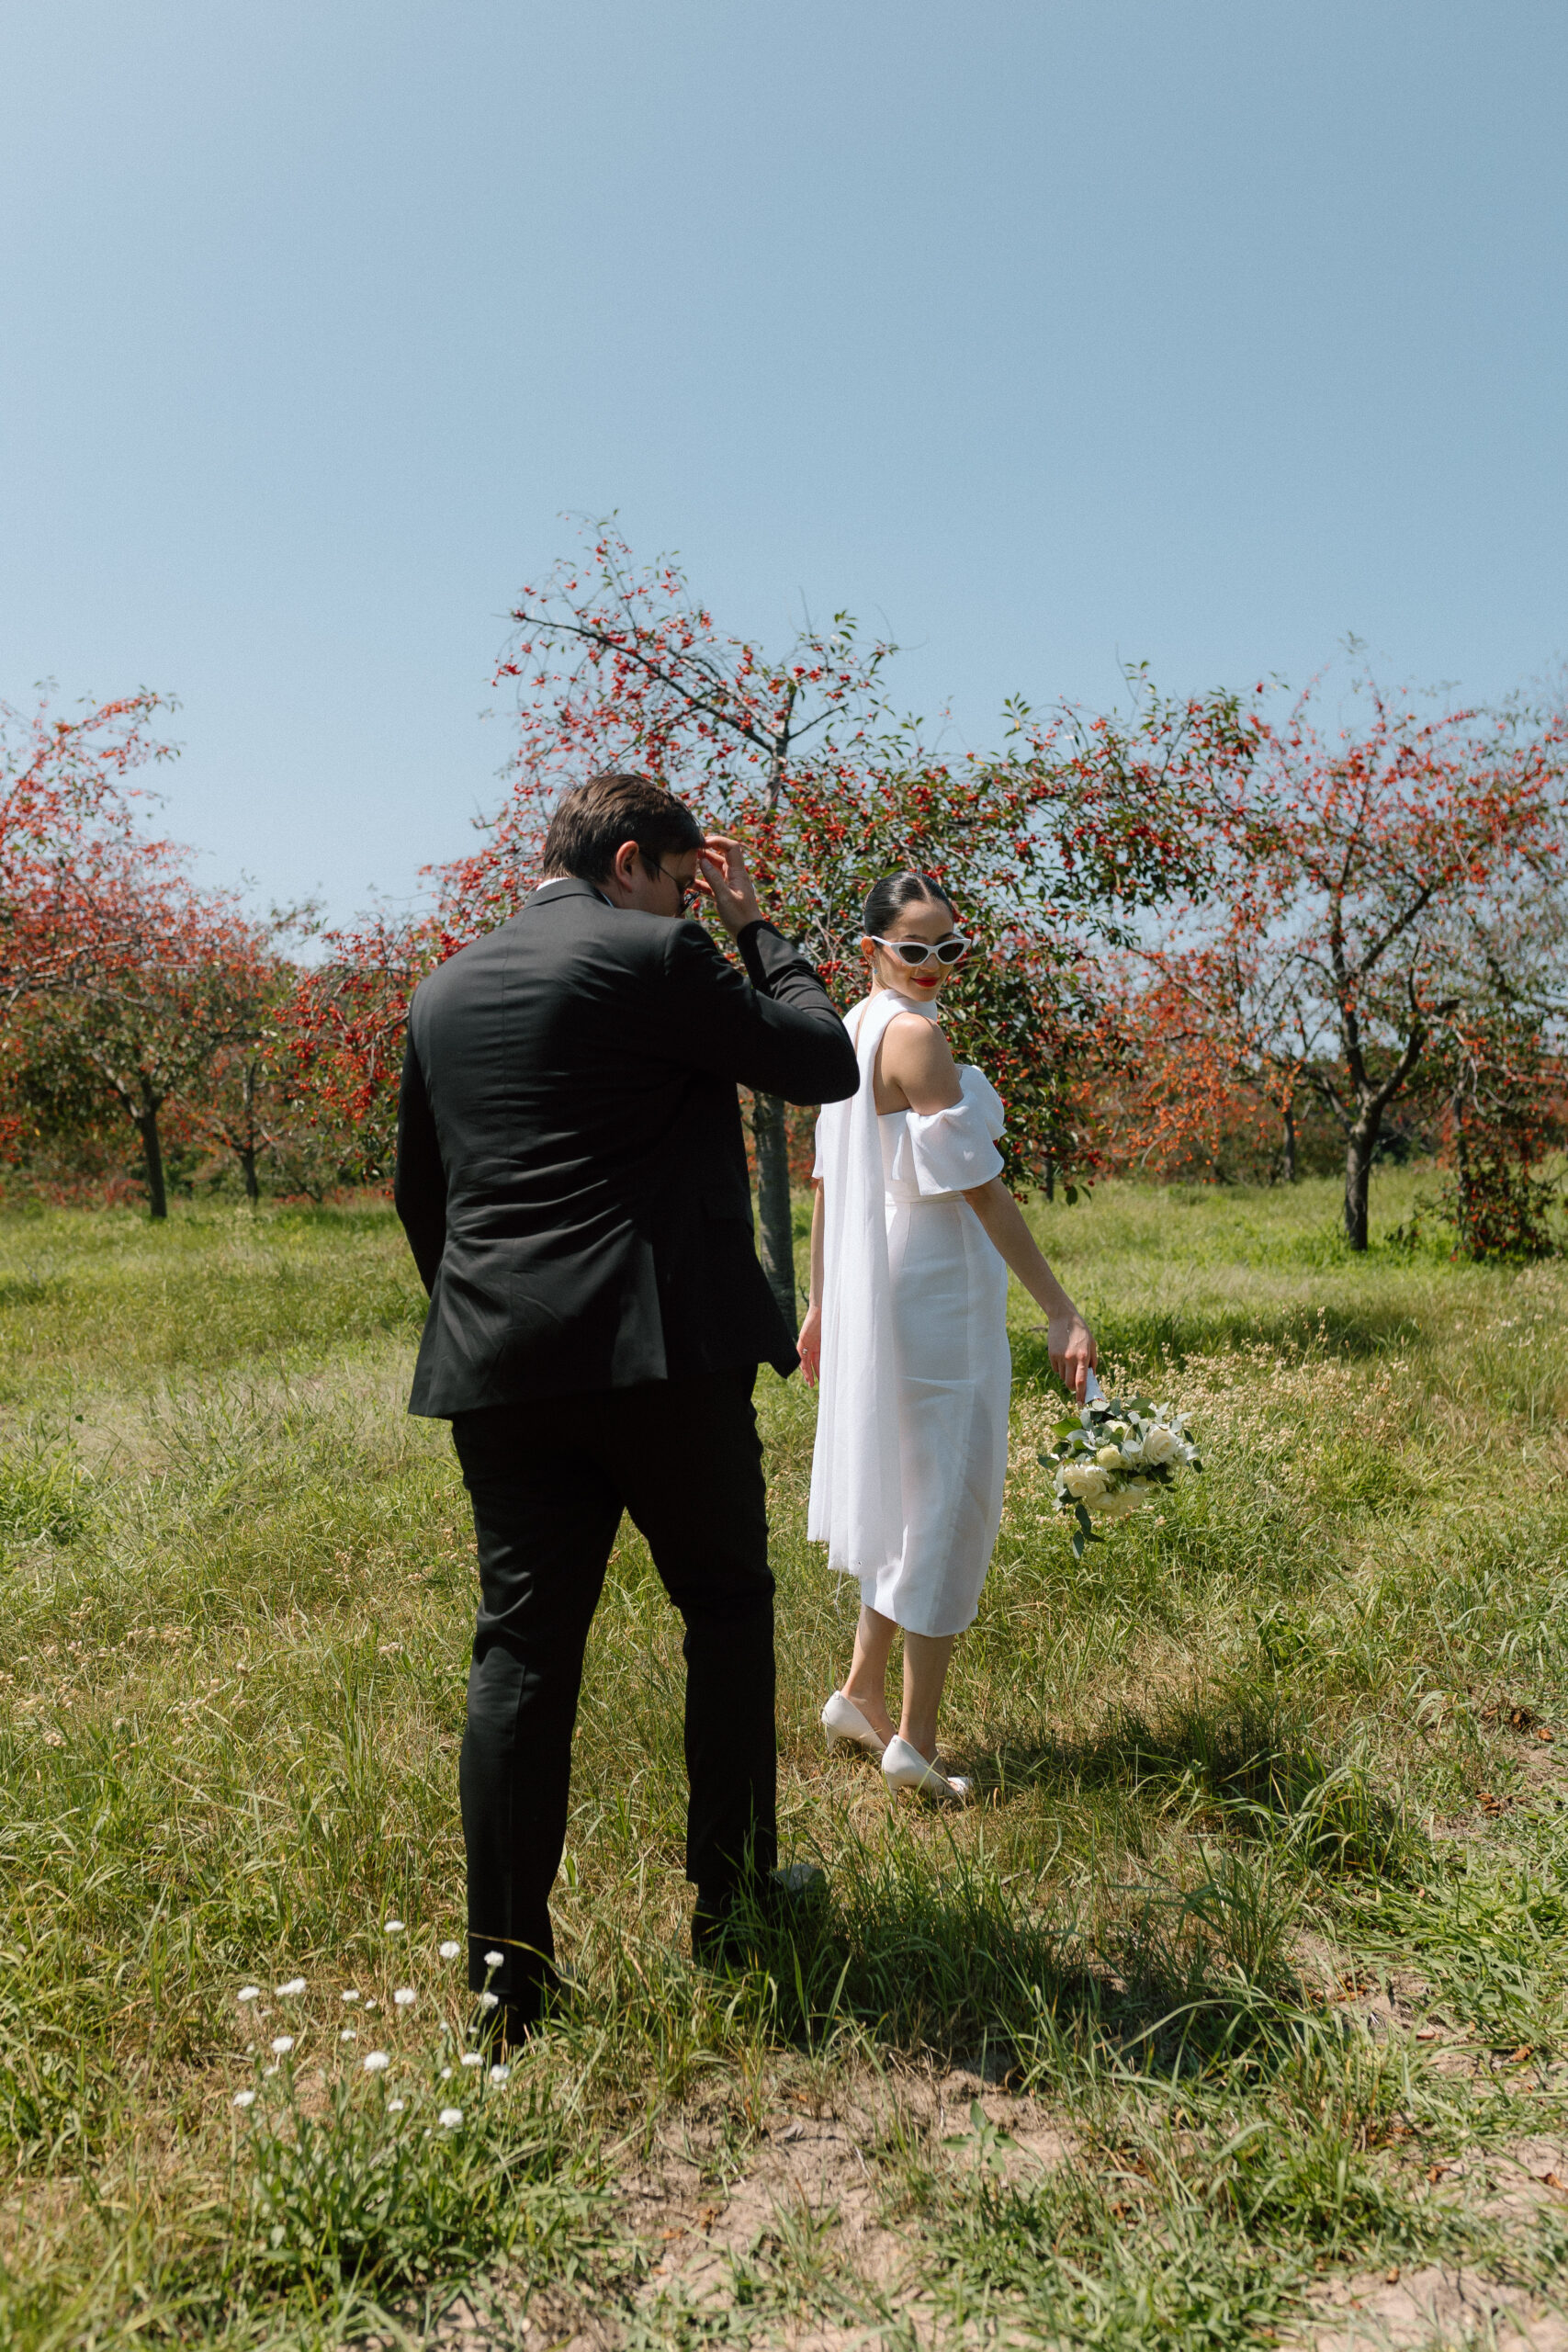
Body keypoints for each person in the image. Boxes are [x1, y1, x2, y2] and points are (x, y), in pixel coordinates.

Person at [394, 771, 859, 2039]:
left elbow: (421, 1196)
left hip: (500, 1367)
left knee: (521, 1657)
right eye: (684, 876)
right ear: (636, 864)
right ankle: (729, 1906)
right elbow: (820, 1061)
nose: (687, 899)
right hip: (662, 1358)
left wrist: (491, 1317)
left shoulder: (441, 991)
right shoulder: (661, 954)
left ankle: (505, 1986)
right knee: (722, 1607)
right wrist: (760, 932)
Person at [798, 872, 1096, 1803]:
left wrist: (819, 1303)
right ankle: (916, 1742)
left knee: (907, 1493)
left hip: (881, 1279)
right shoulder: (916, 1036)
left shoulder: (850, 1025)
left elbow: (825, 1186)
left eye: (949, 949)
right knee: (950, 1505)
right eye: (913, 949)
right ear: (873, 949)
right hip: (936, 1295)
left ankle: (857, 1692)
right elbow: (981, 1188)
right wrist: (1059, 1306)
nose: (933, 967)